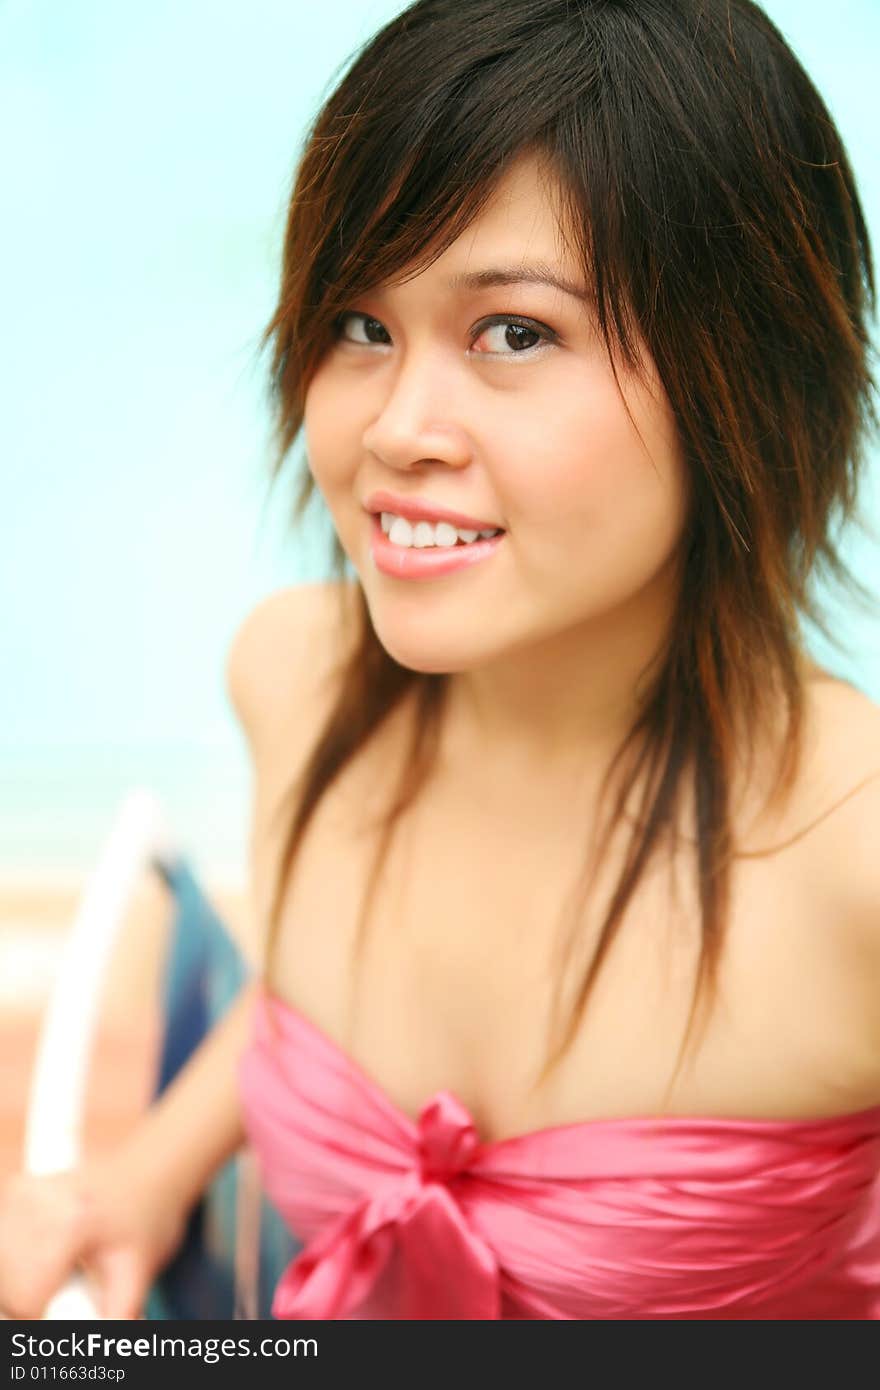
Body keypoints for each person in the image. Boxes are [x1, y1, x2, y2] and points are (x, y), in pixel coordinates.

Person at [3, 0, 880, 1319]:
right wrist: (141, 1175)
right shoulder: (293, 686)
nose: (397, 428)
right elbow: (303, 996)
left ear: (742, 380)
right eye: (360, 323)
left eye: (514, 333)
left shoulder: (846, 856)